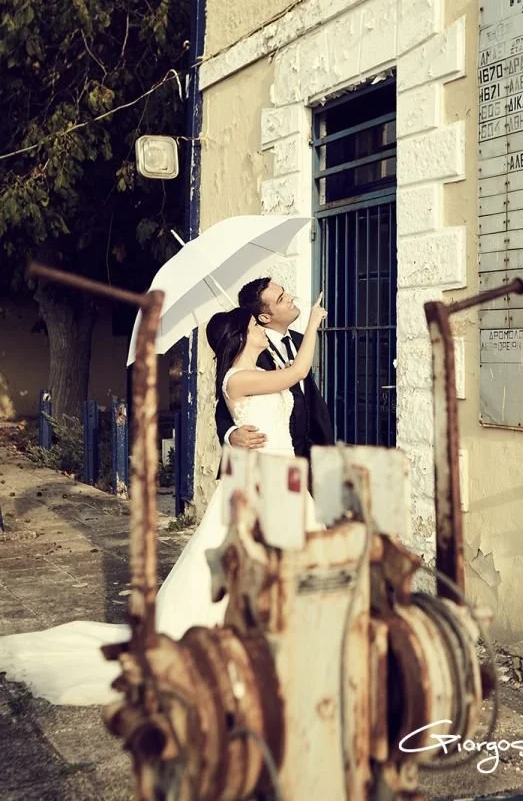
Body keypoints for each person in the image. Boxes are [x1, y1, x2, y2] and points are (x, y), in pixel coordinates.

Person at [0, 296, 328, 707]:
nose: (264, 331)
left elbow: (289, 392)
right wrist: (315, 323)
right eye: (256, 326)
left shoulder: (260, 368)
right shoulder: (236, 377)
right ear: (244, 332)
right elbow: (296, 372)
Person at [215, 279, 333, 472]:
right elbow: (225, 402)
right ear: (264, 317)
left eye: (285, 292)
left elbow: (304, 396)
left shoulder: (300, 341)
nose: (290, 298)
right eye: (280, 299)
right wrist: (231, 434)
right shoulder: (250, 352)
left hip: (306, 455)